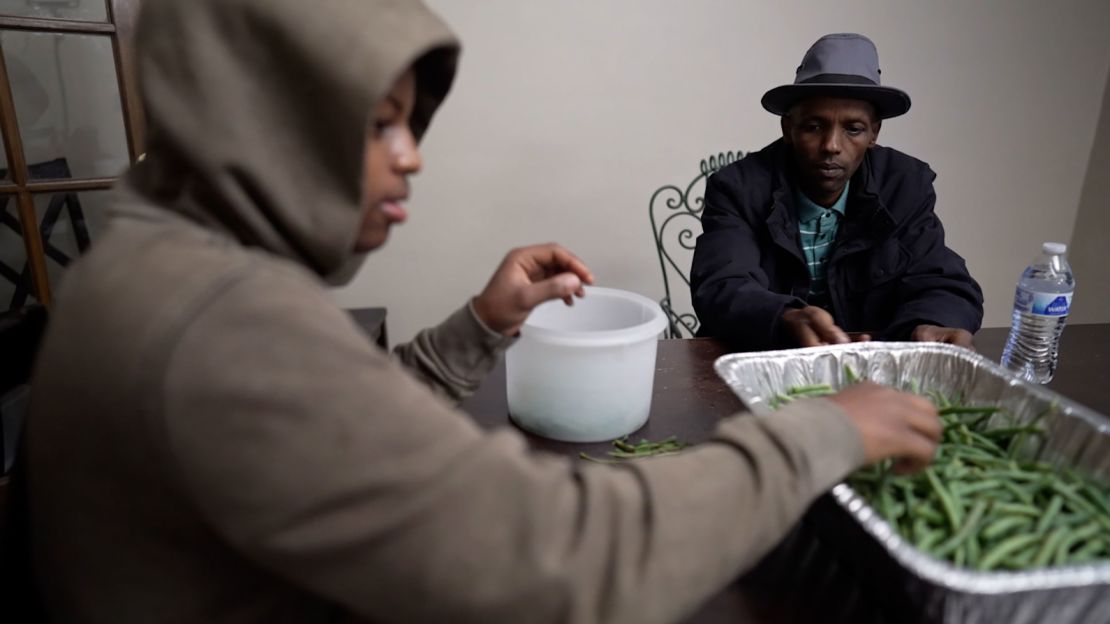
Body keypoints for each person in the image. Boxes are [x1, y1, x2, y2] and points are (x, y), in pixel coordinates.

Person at [25, 4, 941, 623]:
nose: (411, 158)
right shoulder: (222, 323)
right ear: (267, 122)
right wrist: (819, 435)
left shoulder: (156, 259)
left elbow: (343, 427)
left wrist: (478, 325)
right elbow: (565, 554)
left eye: (409, 125)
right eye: (378, 124)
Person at [691, 33, 984, 352]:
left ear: (874, 133)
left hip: (869, 368)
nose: (831, 146)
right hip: (763, 359)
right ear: (788, 128)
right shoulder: (738, 187)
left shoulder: (903, 185)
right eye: (813, 127)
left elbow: (940, 278)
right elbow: (723, 286)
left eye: (853, 129)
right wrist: (785, 319)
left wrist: (933, 321)